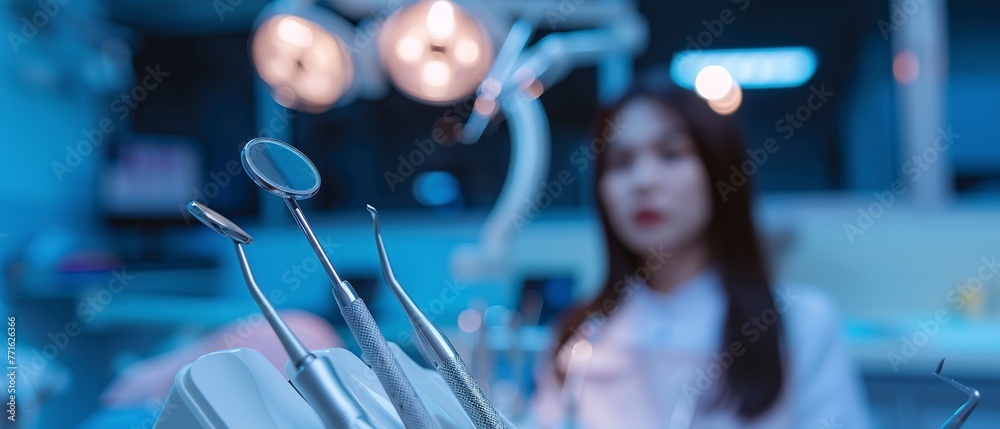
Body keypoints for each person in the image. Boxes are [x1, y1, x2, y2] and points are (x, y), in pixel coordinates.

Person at [531, 77, 872, 428]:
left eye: (671, 154)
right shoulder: (579, 336)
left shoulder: (801, 325)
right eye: (621, 163)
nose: (643, 181)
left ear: (720, 171)